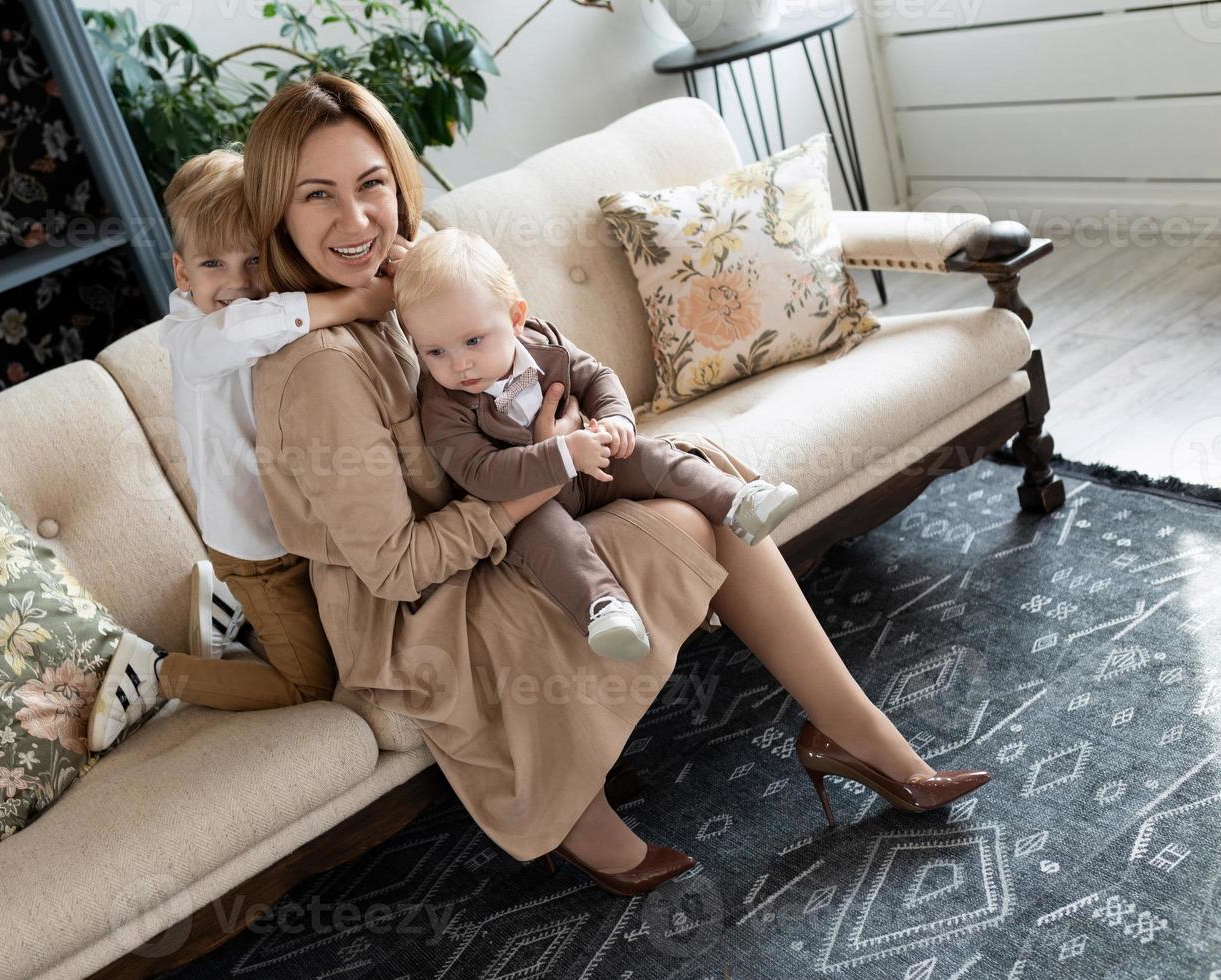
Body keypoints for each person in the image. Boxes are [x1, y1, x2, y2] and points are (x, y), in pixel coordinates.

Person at [243, 73, 988, 894]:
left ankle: (856, 731)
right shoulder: (317, 366)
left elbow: (545, 351)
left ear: (397, 181)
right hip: (416, 609)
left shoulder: (409, 286)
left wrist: (575, 435)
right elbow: (394, 568)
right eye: (318, 196)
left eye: (370, 183)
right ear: (279, 211)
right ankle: (583, 812)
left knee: (699, 468)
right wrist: (549, 463)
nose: (354, 219)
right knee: (681, 520)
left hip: (504, 515)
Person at [87, 146, 392, 752]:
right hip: (257, 551)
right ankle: (157, 671)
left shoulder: (277, 309)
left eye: (255, 259)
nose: (238, 283)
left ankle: (226, 605)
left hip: (302, 531)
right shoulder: (191, 339)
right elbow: (252, 325)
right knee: (311, 683)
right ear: (181, 274)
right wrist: (359, 300)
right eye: (213, 264)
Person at [396, 227, 800, 662]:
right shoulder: (441, 406)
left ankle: (738, 501)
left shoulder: (543, 340)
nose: (459, 364)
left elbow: (596, 375)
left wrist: (614, 417)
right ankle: (604, 609)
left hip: (593, 469)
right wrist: (564, 453)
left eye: (473, 341)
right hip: (526, 504)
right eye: (434, 352)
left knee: (647, 454)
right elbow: (481, 473)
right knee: (550, 540)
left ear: (515, 319)